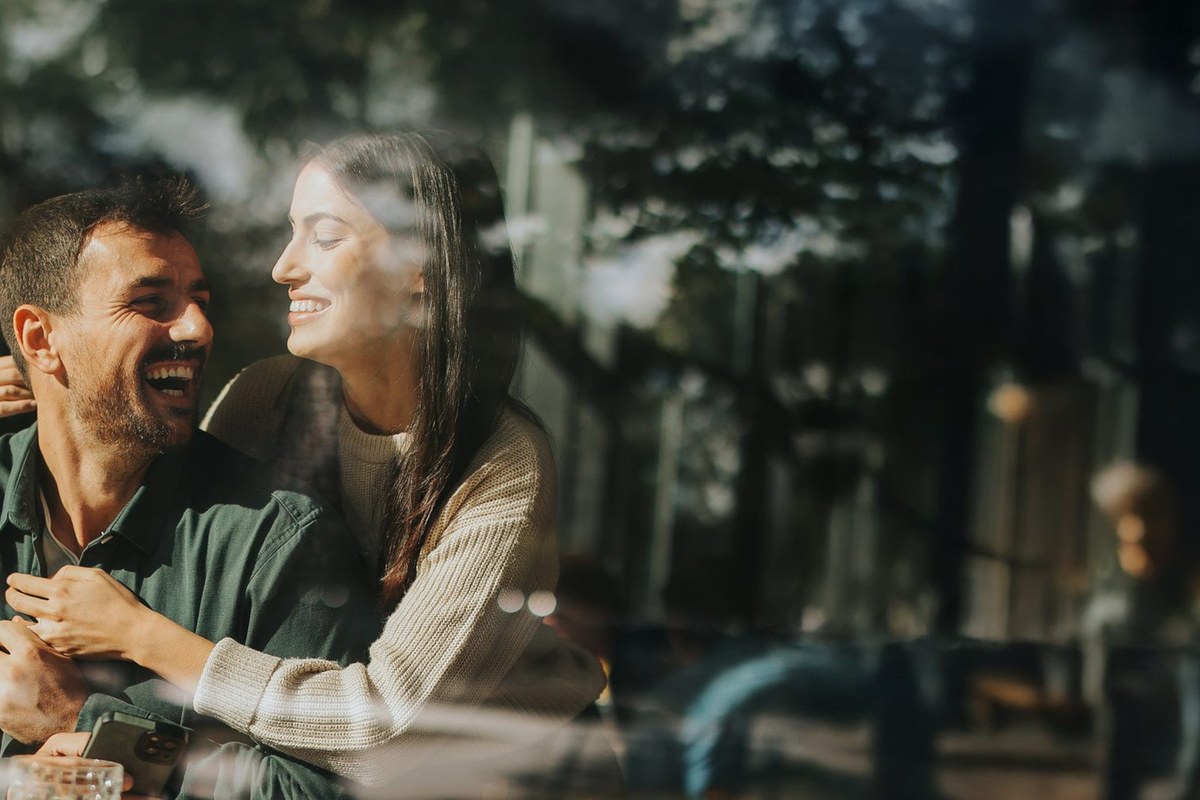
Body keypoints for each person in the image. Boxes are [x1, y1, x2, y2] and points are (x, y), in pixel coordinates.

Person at [9, 132, 607, 794]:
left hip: (515, 773)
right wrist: (46, 385)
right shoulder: (270, 397)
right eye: (292, 235)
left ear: (421, 269)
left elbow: (388, 734)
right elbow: (152, 473)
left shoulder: (503, 463)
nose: (283, 267)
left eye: (323, 237)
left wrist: (137, 640)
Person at [0, 178, 376, 797]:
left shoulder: (277, 540)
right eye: (151, 302)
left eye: (200, 300)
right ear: (41, 340)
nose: (198, 328)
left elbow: (329, 792)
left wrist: (95, 729)